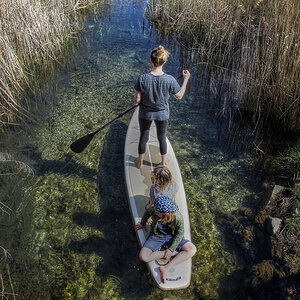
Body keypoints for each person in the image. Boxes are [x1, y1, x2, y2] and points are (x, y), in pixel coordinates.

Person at [133, 45, 191, 169]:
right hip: (162, 114)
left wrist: (138, 101)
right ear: (164, 62)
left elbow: (136, 101)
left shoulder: (142, 78)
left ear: (151, 60)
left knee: (144, 136)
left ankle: (140, 163)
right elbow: (179, 96)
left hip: (145, 114)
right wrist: (186, 79)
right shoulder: (170, 80)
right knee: (161, 137)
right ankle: (163, 163)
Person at [136, 196, 197, 283]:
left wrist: (171, 248)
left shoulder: (177, 217)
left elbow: (180, 233)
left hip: (172, 236)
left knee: (192, 249)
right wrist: (142, 224)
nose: (155, 211)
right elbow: (147, 213)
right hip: (157, 236)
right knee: (143, 257)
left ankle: (166, 268)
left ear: (165, 213)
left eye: (157, 211)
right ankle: (173, 253)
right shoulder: (154, 209)